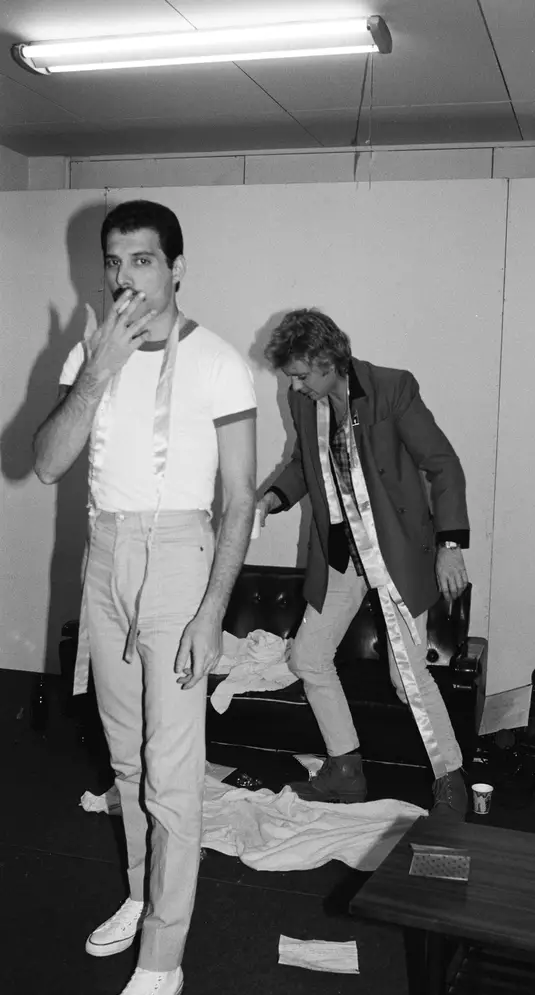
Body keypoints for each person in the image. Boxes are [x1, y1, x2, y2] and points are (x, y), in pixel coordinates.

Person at [33, 200, 257, 995]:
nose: (126, 277)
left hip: (180, 557)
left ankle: (164, 954)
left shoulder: (221, 362)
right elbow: (49, 463)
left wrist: (211, 612)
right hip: (106, 555)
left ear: (176, 268)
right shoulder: (91, 353)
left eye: (144, 261)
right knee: (126, 759)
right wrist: (95, 371)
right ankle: (139, 892)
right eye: (115, 262)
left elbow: (239, 501)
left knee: (172, 768)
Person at [257, 308, 470, 814]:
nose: (296, 385)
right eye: (291, 376)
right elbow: (302, 465)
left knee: (408, 676)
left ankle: (452, 781)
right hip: (340, 555)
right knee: (308, 657)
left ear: (329, 360)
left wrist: (450, 545)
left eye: (303, 374)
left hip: (395, 553)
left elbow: (444, 465)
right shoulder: (302, 400)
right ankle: (346, 769)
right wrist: (270, 499)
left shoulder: (392, 389)